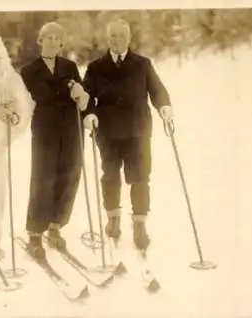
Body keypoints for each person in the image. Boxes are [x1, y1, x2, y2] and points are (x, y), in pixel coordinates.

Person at [82, 18, 173, 251]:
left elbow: (157, 90)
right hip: (108, 132)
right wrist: (89, 115)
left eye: (121, 35)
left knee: (140, 177)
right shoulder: (95, 67)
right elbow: (85, 98)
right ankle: (113, 219)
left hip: (137, 131)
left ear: (129, 37)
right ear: (107, 38)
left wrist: (164, 106)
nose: (117, 40)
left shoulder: (143, 64)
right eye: (113, 35)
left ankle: (140, 225)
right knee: (110, 176)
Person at [20, 22, 90, 258]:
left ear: (62, 43)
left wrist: (81, 95)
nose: (51, 41)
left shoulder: (69, 66)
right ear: (40, 41)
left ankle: (55, 226)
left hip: (71, 128)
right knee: (43, 178)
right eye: (47, 37)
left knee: (70, 174)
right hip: (46, 131)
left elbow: (79, 95)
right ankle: (35, 233)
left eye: (56, 38)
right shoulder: (29, 70)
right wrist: (67, 89)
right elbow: (40, 96)